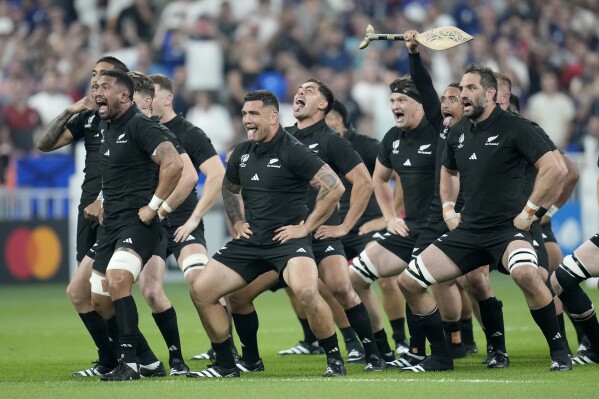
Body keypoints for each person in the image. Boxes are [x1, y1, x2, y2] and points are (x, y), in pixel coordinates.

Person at [396, 64, 571, 372]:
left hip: (508, 230)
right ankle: (441, 357)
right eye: (462, 89)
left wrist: (530, 212)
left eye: (471, 89)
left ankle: (560, 352)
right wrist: (449, 208)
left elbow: (556, 169)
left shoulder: (517, 127)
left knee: (528, 276)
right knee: (409, 281)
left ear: (490, 94)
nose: (464, 95)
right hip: (469, 230)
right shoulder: (457, 132)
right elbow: (448, 171)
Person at [187, 89, 347, 378]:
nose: (247, 120)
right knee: (202, 290)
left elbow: (334, 186)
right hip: (252, 240)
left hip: (288, 242)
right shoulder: (241, 153)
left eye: (254, 114)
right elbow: (229, 186)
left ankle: (334, 360)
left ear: (273, 117)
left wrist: (306, 227)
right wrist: (237, 221)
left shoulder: (293, 149)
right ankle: (230, 363)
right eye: (245, 114)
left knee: (307, 291)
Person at [89, 69, 183, 381]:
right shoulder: (107, 127)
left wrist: (155, 206)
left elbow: (174, 164)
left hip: (138, 223)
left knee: (118, 279)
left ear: (125, 96)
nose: (97, 91)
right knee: (99, 298)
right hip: (111, 225)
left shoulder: (140, 124)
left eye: (105, 86)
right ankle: (149, 361)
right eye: (95, 86)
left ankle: (128, 365)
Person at [37, 56, 128, 377]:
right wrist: (70, 111)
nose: (95, 82)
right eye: (92, 76)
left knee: (103, 288)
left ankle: (123, 358)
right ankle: (112, 358)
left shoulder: (128, 119)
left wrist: (107, 200)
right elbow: (44, 144)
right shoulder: (88, 118)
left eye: (102, 77)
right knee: (88, 290)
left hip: (115, 210)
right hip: (87, 208)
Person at [148, 73, 229, 361]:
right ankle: (136, 357)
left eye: (151, 94)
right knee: (146, 291)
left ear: (168, 98)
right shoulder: (138, 130)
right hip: (148, 224)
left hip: (181, 222)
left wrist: (194, 218)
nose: (144, 99)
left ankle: (224, 348)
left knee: (201, 282)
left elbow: (217, 174)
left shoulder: (190, 133)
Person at [127, 71, 199, 375]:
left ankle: (175, 361)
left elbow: (190, 175)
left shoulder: (157, 133)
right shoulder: (115, 131)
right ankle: (139, 358)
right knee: (100, 290)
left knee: (151, 292)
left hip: (148, 224)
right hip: (120, 223)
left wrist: (161, 208)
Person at [325, 100, 409, 356]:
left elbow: (401, 174)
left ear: (338, 119)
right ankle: (353, 342)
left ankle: (400, 339)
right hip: (333, 229)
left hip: (367, 226)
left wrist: (388, 217)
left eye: (325, 118)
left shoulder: (365, 145)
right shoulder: (313, 147)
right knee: (325, 280)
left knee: (385, 276)